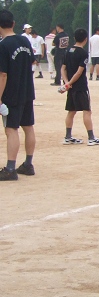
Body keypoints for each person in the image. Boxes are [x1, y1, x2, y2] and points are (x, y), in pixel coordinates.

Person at [0, 10, 36, 181]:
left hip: (12, 94)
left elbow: (3, 75)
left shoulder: (3, 45)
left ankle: (10, 168)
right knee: (28, 127)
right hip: (27, 90)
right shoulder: (25, 40)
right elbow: (30, 62)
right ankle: (28, 164)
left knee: (11, 129)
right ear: (13, 24)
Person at [60, 28, 99, 146]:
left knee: (71, 111)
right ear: (85, 39)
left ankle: (68, 136)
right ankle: (91, 137)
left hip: (71, 87)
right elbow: (79, 72)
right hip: (80, 86)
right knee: (87, 110)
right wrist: (70, 83)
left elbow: (63, 68)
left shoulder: (68, 51)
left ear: (74, 38)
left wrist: (66, 83)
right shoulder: (83, 53)